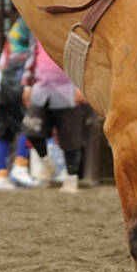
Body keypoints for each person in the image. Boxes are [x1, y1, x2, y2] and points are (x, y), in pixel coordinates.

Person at [20, 38, 92, 194]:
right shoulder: (38, 34)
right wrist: (26, 85)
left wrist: (82, 86)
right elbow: (31, 58)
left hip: (68, 91)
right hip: (41, 89)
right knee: (31, 130)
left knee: (71, 140)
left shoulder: (75, 35)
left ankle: (71, 179)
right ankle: (46, 162)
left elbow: (85, 61)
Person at [0, 16, 39, 190]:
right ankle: (20, 166)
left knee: (3, 132)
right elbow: (35, 53)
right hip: (20, 82)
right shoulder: (34, 22)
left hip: (1, 82)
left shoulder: (18, 23)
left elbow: (6, 55)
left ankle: (0, 175)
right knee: (29, 125)